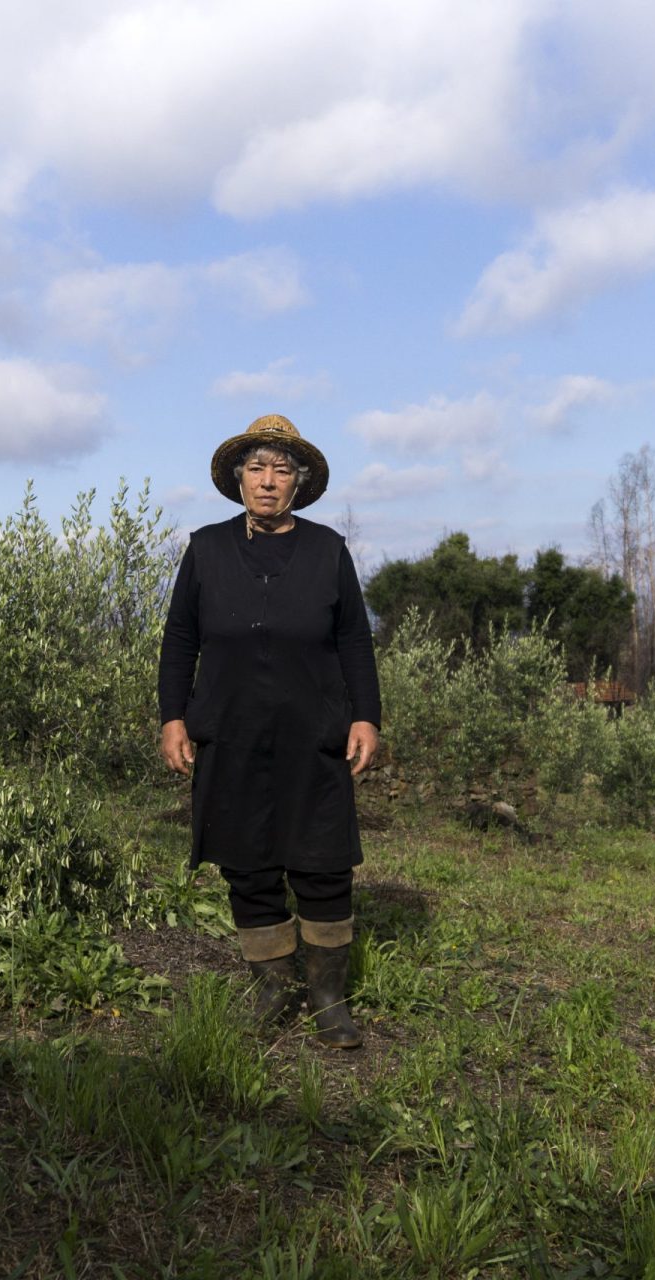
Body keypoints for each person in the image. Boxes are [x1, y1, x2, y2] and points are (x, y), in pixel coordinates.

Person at [156, 414, 382, 1049]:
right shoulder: (204, 550)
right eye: (257, 467)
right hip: (229, 732)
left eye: (282, 470)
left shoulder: (327, 551)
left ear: (297, 484)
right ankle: (272, 988)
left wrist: (367, 715)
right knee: (247, 865)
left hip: (313, 733)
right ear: (238, 479)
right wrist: (173, 717)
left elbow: (354, 641)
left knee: (323, 864)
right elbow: (180, 640)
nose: (268, 480)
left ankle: (328, 996)